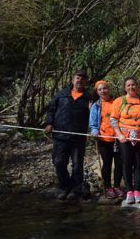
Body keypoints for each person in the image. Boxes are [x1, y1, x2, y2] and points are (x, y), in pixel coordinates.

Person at [45, 71, 91, 201]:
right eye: (77, 78)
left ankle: (76, 189)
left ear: (85, 82)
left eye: (82, 79)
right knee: (59, 162)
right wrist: (49, 123)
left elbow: (94, 116)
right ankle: (65, 187)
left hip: (78, 137)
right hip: (60, 135)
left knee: (77, 164)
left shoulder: (89, 98)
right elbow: (51, 110)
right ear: (72, 80)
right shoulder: (61, 95)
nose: (79, 80)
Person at [110, 77, 140, 204]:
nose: (131, 87)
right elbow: (113, 119)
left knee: (139, 163)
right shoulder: (119, 101)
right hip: (125, 137)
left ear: (137, 86)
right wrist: (119, 134)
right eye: (128, 85)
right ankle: (129, 190)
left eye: (133, 85)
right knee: (127, 162)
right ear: (125, 87)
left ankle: (137, 190)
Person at [88, 80, 124, 199]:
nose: (103, 91)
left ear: (108, 89)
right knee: (107, 164)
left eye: (104, 88)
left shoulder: (117, 102)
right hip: (104, 139)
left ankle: (118, 186)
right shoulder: (96, 105)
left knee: (119, 163)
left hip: (118, 138)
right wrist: (94, 132)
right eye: (100, 89)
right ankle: (108, 187)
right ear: (97, 92)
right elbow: (93, 124)